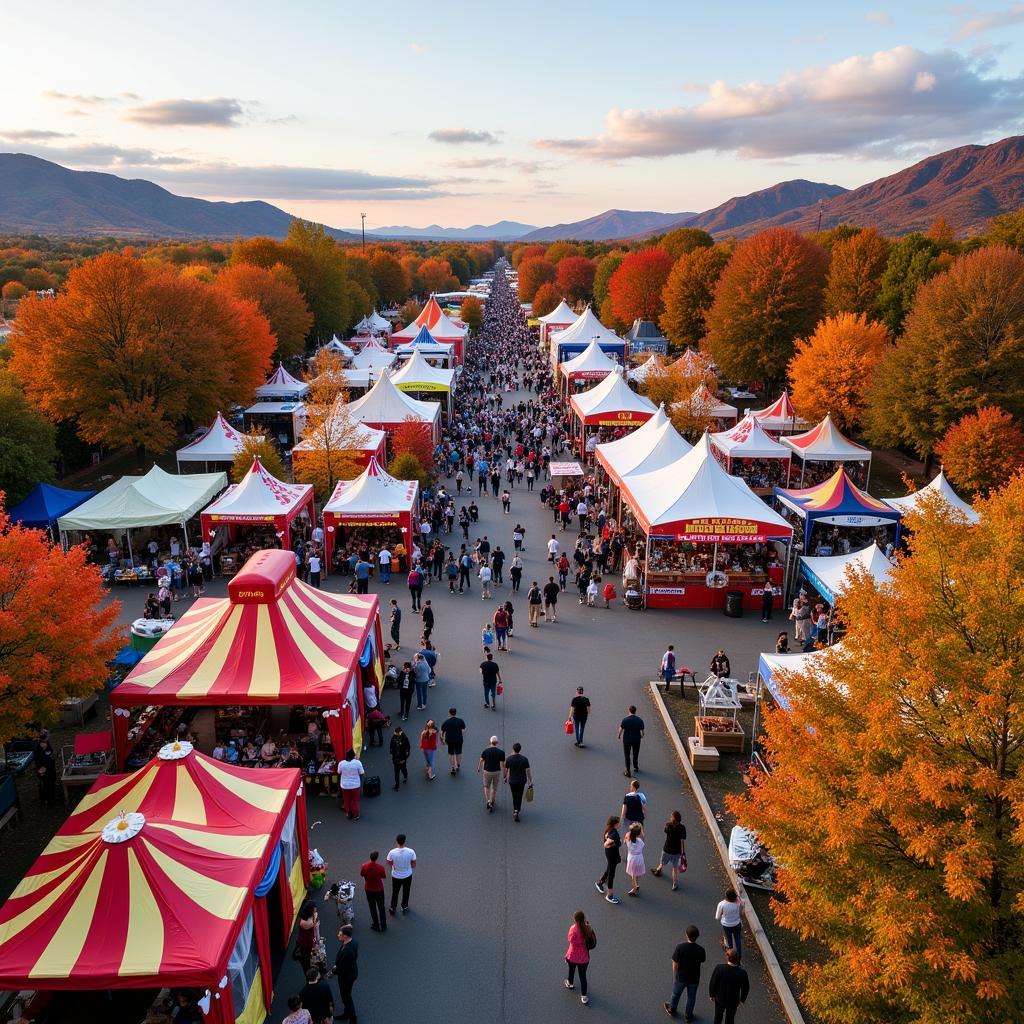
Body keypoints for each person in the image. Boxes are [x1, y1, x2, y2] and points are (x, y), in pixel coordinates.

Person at [666, 925, 706, 1020]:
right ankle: (688, 1015)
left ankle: (672, 1008)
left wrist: (674, 974)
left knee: (676, 994)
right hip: (694, 977)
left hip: (681, 976)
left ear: (686, 935)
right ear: (697, 936)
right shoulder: (701, 950)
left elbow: (675, 962)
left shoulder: (680, 947)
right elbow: (702, 960)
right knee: (691, 997)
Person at [708, 947, 750, 1024]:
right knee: (730, 1018)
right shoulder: (742, 973)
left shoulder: (719, 968)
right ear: (737, 959)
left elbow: (713, 982)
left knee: (718, 1016)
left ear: (727, 957)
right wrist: (742, 999)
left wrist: (712, 994)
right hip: (733, 1000)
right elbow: (746, 988)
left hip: (720, 998)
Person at [564, 910, 594, 1006]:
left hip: (572, 955)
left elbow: (570, 939)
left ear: (575, 919)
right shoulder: (588, 928)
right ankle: (584, 997)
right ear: (583, 918)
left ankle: (570, 983)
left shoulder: (573, 929)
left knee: (571, 970)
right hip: (584, 958)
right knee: (582, 976)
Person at [652, 810, 687, 890]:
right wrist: (683, 853)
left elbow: (665, 831)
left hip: (667, 849)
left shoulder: (668, 825)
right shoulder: (682, 828)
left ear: (673, 819)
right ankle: (674, 884)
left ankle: (658, 870)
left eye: (671, 816)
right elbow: (682, 842)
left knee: (663, 862)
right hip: (677, 852)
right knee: (674, 868)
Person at [331, 924, 359, 1024]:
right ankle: (347, 1013)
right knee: (347, 995)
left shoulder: (348, 951)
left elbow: (342, 968)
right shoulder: (352, 942)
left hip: (346, 977)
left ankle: (352, 1018)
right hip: (351, 973)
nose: (338, 935)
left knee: (346, 997)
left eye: (340, 934)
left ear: (346, 936)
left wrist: (333, 972)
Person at [595, 814, 622, 904]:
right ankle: (609, 895)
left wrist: (615, 843)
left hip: (610, 854)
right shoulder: (614, 833)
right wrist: (613, 844)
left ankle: (600, 882)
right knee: (611, 874)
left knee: (609, 868)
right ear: (615, 824)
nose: (620, 824)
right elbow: (606, 844)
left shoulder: (609, 830)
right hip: (612, 854)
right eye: (619, 823)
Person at [387, 834, 416, 914]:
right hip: (407, 876)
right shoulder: (411, 851)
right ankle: (404, 906)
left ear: (397, 841)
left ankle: (393, 907)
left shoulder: (392, 852)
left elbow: (389, 863)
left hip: (396, 876)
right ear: (404, 841)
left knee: (395, 892)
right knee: (406, 891)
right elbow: (413, 865)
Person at [503, 741, 532, 821]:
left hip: (512, 781)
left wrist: (505, 777)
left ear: (513, 749)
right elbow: (528, 771)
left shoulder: (509, 758)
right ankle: (517, 810)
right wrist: (530, 780)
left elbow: (506, 769)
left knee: (514, 795)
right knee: (519, 795)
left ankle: (515, 810)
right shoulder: (524, 759)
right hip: (521, 781)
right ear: (520, 750)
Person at [360, 850, 388, 932]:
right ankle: (383, 925)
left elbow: (362, 874)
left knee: (372, 907)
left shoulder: (364, 866)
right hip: (379, 889)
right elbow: (383, 876)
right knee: (381, 907)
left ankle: (375, 924)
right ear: (377, 858)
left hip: (369, 889)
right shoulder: (380, 867)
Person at [477, 735, 505, 812]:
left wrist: (478, 768)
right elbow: (503, 764)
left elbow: (481, 760)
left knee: (486, 786)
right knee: (494, 788)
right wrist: (505, 774)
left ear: (490, 742)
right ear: (497, 743)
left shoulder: (485, 751)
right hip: (496, 772)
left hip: (487, 771)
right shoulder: (501, 752)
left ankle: (488, 801)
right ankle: (492, 801)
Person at [715, 888, 745, 959]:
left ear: (726, 896)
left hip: (726, 925)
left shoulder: (722, 904)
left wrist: (722, 913)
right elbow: (742, 913)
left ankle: (731, 956)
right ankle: (739, 956)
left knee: (729, 940)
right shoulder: (739, 902)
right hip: (737, 924)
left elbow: (717, 917)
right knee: (737, 940)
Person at [618, 705, 645, 777]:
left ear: (629, 711)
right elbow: (642, 732)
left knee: (627, 755)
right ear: (635, 711)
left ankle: (628, 770)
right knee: (635, 754)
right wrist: (641, 735)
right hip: (636, 740)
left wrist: (619, 735)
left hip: (627, 740)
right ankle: (635, 767)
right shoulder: (640, 720)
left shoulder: (625, 720)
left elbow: (621, 729)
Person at [338, 748, 364, 820]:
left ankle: (349, 813)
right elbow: (361, 773)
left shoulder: (341, 763)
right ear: (353, 756)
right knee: (355, 800)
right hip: (355, 785)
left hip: (345, 786)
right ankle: (356, 815)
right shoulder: (358, 763)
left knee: (346, 800)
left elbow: (339, 772)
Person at [295, 902, 320, 975]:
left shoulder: (312, 916)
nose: (315, 912)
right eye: (314, 910)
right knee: (307, 965)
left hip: (312, 943)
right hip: (306, 946)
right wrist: (315, 919)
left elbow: (316, 928)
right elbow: (314, 925)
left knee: (314, 962)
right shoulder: (304, 923)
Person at [440, 707, 466, 774]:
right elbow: (463, 730)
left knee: (451, 753)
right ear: (455, 713)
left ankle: (452, 767)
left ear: (449, 713)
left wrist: (442, 739)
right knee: (459, 752)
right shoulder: (460, 721)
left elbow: (442, 732)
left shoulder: (446, 722)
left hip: (450, 740)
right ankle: (458, 764)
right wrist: (461, 735)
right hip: (459, 740)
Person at [33, 732, 57, 805]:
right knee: (45, 785)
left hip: (50, 768)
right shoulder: (37, 749)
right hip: (43, 770)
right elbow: (38, 761)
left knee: (51, 782)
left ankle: (52, 798)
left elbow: (51, 753)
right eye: (46, 737)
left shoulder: (48, 744)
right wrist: (41, 770)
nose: (47, 739)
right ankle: (45, 800)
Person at [624, 822, 646, 896]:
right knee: (636, 873)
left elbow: (626, 838)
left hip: (632, 860)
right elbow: (643, 835)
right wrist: (641, 828)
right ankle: (636, 885)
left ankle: (634, 888)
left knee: (633, 875)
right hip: (639, 859)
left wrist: (630, 832)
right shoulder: (640, 841)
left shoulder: (629, 842)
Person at [389, 726, 411, 790]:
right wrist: (391, 751)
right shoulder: (394, 738)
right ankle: (397, 785)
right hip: (395, 758)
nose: (394, 733)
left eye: (396, 733)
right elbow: (391, 745)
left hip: (402, 758)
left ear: (399, 733)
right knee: (396, 772)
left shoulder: (405, 739)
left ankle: (405, 776)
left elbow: (408, 748)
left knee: (403, 769)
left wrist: (405, 758)